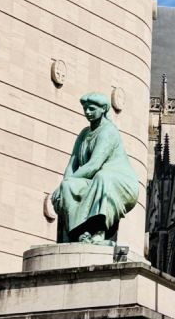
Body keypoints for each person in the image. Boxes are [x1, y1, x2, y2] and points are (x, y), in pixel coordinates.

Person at [51, 93, 140, 244]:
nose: (87, 112)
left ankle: (98, 232)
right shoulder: (84, 134)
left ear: (104, 109)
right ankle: (80, 233)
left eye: (92, 109)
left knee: (102, 176)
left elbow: (94, 166)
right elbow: (71, 165)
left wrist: (72, 178)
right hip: (95, 180)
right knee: (67, 185)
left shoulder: (108, 131)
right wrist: (63, 184)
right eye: (85, 109)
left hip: (122, 182)